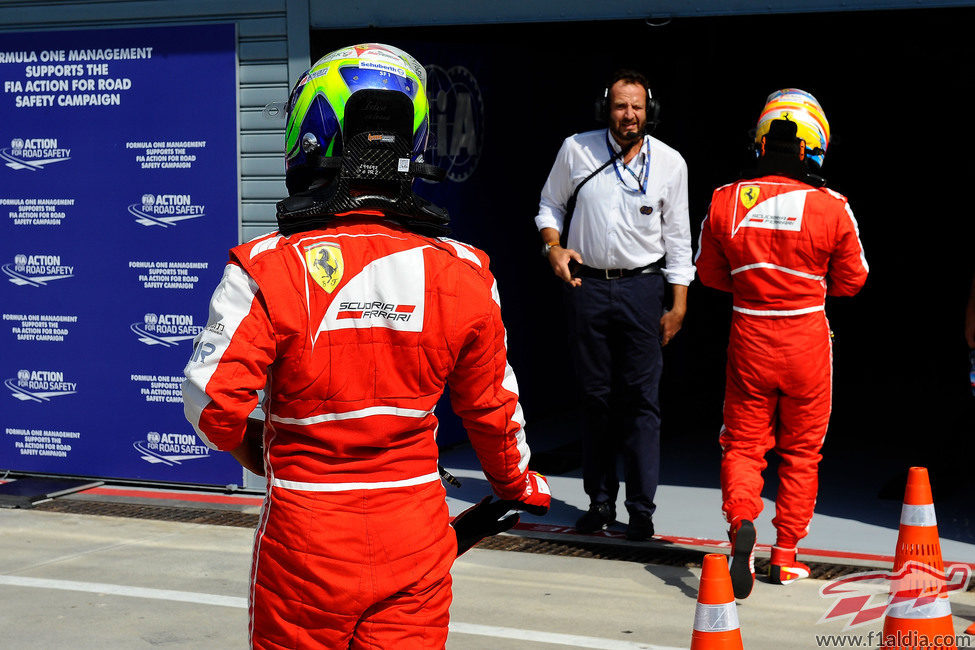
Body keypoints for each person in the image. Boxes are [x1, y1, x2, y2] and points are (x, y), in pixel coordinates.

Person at [182, 43, 550, 649]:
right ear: (412, 138)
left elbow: (209, 401)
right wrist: (518, 486)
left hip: (306, 545)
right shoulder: (464, 272)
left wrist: (267, 456)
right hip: (417, 539)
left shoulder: (269, 268)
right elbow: (495, 412)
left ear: (315, 130)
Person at [695, 89, 869, 599]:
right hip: (807, 339)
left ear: (762, 140)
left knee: (744, 445)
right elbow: (854, 281)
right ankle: (786, 555)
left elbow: (708, 274)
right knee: (801, 453)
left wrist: (754, 287)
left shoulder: (725, 199)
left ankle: (739, 527)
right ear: (814, 144)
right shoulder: (833, 207)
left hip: (749, 333)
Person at [534, 69, 694, 541]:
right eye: (622, 106)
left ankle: (641, 509)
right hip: (587, 287)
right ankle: (600, 502)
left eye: (638, 107)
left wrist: (678, 303)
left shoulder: (671, 163)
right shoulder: (575, 149)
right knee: (596, 399)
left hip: (643, 289)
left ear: (651, 111)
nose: (630, 115)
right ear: (608, 108)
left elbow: (679, 239)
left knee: (642, 401)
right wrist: (553, 248)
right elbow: (549, 205)